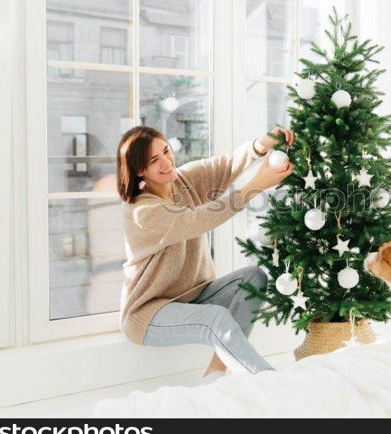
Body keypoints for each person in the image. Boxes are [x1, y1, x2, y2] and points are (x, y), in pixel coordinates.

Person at [116, 125, 294, 377]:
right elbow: (198, 219)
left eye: (166, 151)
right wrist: (255, 185)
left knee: (254, 278)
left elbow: (226, 166)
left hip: (193, 295)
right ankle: (267, 382)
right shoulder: (141, 211)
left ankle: (215, 374)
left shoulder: (182, 181)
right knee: (215, 319)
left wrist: (261, 145)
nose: (167, 162)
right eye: (154, 160)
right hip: (149, 313)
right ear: (139, 170)